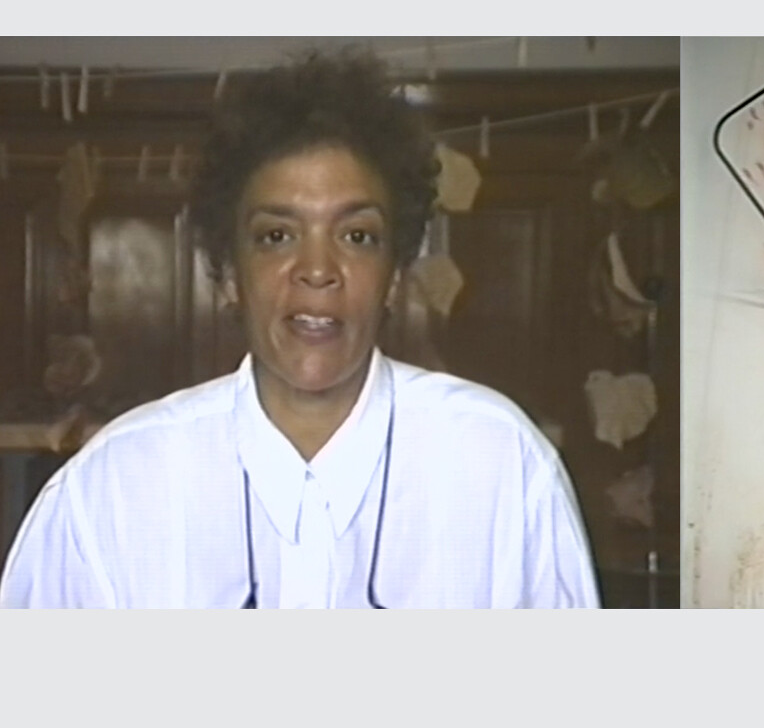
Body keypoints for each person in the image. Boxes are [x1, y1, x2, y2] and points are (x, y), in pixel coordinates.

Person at [0, 51, 600, 608]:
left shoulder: (502, 464)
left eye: (357, 236)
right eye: (276, 236)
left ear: (394, 276)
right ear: (228, 274)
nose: (318, 270)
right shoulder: (113, 486)